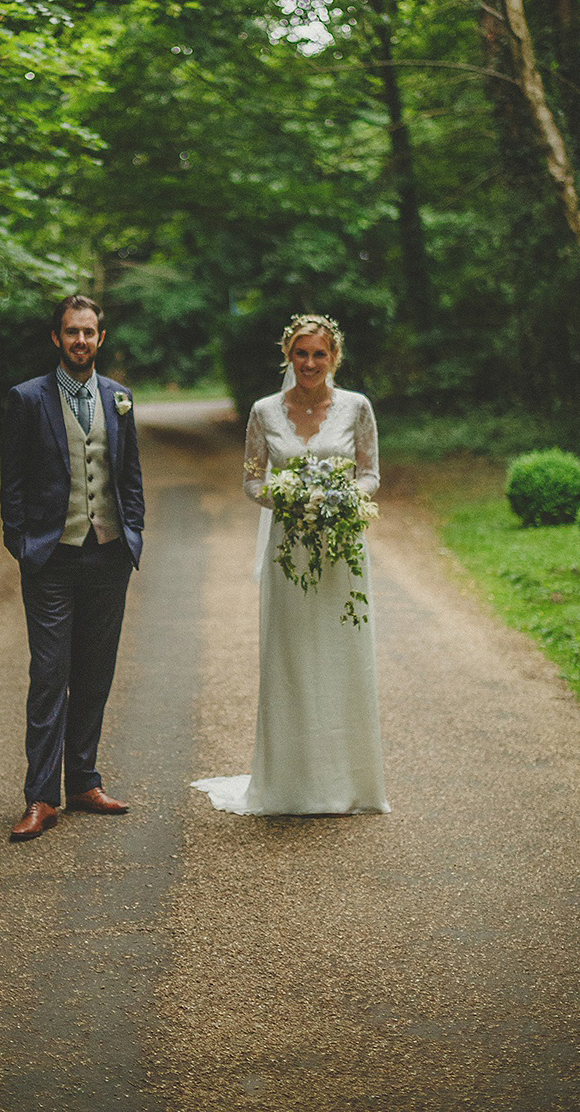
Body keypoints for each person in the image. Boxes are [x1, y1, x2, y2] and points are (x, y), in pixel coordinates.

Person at [192, 312, 389, 816]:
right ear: (287, 355)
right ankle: (291, 783)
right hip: (289, 550)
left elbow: (370, 474)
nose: (309, 362)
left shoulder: (357, 408)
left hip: (341, 549)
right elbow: (253, 481)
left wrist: (340, 498)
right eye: (300, 353)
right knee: (293, 657)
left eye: (319, 354)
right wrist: (291, 499)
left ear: (334, 357)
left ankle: (349, 783)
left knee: (341, 657)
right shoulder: (264, 412)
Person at [0, 294, 144, 841]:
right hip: (51, 558)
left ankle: (83, 781)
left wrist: (134, 531)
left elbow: (129, 476)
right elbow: (11, 480)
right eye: (70, 332)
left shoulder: (120, 398)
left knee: (94, 673)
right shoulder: (28, 399)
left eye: (89, 332)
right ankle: (41, 796)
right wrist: (23, 544)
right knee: (49, 674)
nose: (80, 340)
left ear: (100, 339)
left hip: (108, 556)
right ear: (56, 338)